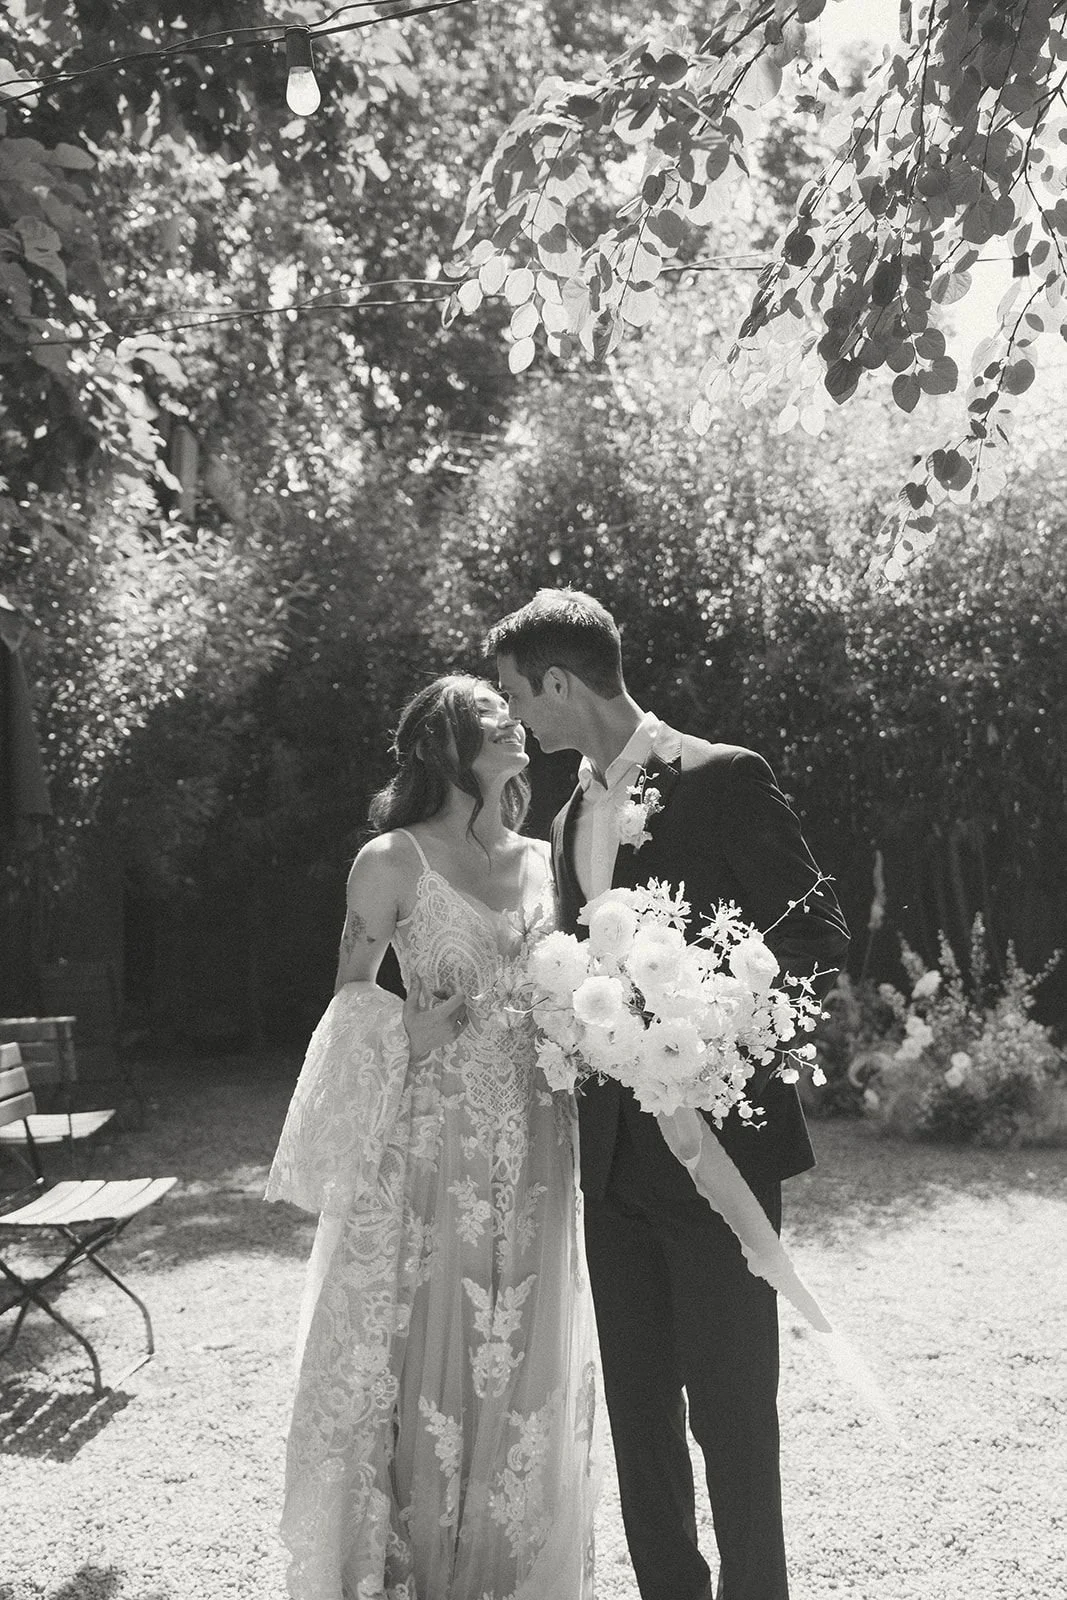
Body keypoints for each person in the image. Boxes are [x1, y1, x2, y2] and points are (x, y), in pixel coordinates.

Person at [486, 591, 850, 1600]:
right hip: (609, 1160)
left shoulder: (722, 777)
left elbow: (814, 933)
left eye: (517, 696)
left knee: (731, 1413)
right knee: (640, 1416)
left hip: (716, 1145)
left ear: (558, 682)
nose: (517, 719)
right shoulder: (567, 816)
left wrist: (710, 1024)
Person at [266, 674, 600, 1600]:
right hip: (432, 1137)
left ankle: (505, 1569)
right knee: (427, 1337)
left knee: (524, 1339)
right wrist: (403, 1031)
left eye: (509, 713)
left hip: (538, 1134)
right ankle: (418, 1569)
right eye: (489, 719)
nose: (513, 727)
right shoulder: (392, 859)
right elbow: (349, 991)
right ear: (439, 746)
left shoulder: (548, 858)